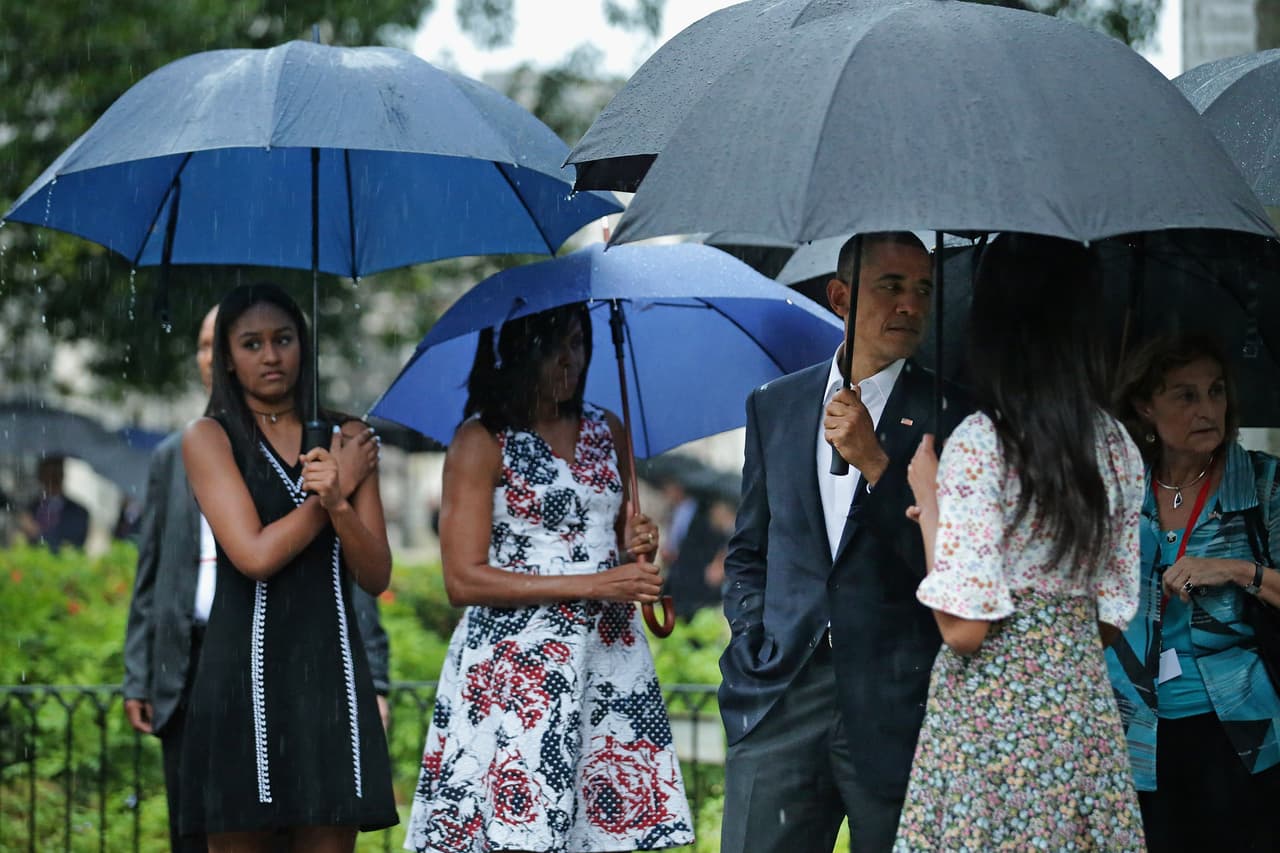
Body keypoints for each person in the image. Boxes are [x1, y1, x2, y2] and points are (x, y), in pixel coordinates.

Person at [404, 302, 694, 852]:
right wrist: (591, 584)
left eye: (579, 343)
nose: (569, 359)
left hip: (605, 656)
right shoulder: (481, 440)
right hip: (518, 670)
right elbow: (462, 580)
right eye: (552, 344)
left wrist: (636, 544)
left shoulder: (607, 427)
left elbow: (614, 543)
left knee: (603, 832)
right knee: (521, 831)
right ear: (518, 351)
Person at [893, 233, 1145, 850]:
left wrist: (930, 504)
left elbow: (964, 629)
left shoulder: (981, 444)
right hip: (1082, 717)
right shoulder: (1115, 445)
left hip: (991, 725)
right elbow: (1111, 616)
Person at [718, 231, 968, 853]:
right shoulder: (775, 403)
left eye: (924, 290)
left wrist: (878, 464)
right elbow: (751, 548)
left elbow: (956, 565)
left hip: (898, 698)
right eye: (890, 286)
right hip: (780, 690)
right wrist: (751, 642)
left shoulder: (957, 414)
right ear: (840, 297)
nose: (910, 305)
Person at [121, 304, 391, 851]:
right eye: (251, 343)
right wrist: (328, 498)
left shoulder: (349, 436)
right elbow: (254, 556)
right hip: (238, 675)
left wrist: (341, 500)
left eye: (284, 339)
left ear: (304, 346)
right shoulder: (209, 436)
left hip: (328, 674)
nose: (271, 355)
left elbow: (375, 571)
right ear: (226, 355)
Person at [1106, 332, 1280, 852]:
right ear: (1144, 406)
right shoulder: (1118, 485)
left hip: (1240, 727)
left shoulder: (1264, 484)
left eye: (1216, 391)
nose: (1208, 409)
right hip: (1132, 732)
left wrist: (1233, 569)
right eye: (1186, 395)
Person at [20, 454, 90, 550]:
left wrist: (37, 533)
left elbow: (70, 547)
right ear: (40, 476)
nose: (51, 478)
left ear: (62, 475)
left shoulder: (79, 512)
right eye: (47, 473)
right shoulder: (31, 508)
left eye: (54, 473)